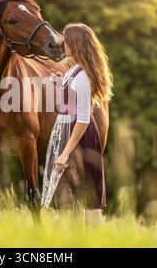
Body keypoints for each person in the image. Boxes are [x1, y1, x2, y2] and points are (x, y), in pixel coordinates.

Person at [41, 23, 113, 224]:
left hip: (79, 136)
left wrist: (65, 152)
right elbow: (70, 97)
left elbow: (82, 119)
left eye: (65, 39)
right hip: (68, 131)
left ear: (74, 43)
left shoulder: (82, 77)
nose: (61, 42)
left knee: (89, 198)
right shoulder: (74, 71)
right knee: (71, 193)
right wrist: (60, 82)